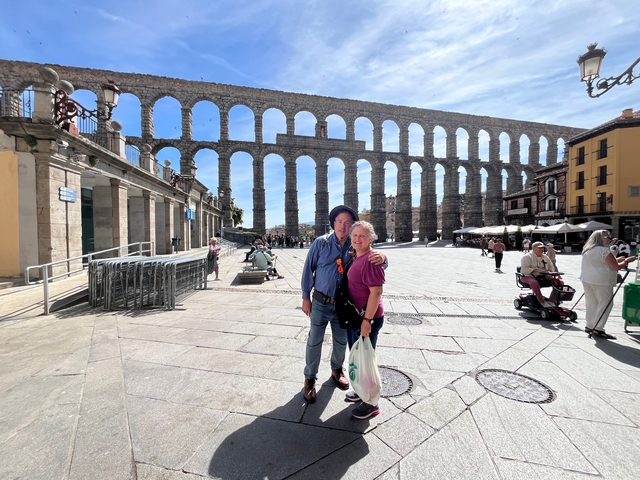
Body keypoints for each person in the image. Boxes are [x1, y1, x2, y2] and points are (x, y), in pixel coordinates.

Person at [300, 205, 387, 404]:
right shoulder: (320, 244)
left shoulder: (354, 244)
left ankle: (337, 370)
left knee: (340, 341)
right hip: (320, 301)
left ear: (352, 226)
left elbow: (371, 258)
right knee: (314, 340)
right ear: (333, 223)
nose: (343, 226)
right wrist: (306, 296)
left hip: (343, 305)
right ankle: (310, 379)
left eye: (347, 223)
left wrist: (384, 257)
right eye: (339, 221)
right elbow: (308, 269)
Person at [343, 221, 385, 419]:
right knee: (358, 357)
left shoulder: (371, 260)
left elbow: (376, 292)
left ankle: (371, 403)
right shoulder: (356, 255)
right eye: (355, 235)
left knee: (366, 359)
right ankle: (362, 392)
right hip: (357, 316)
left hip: (367, 318)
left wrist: (367, 320)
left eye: (362, 236)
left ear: (371, 239)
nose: (357, 239)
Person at [580, 230, 636, 339]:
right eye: (608, 238)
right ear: (602, 239)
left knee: (591, 302)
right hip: (602, 281)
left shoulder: (587, 250)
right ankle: (598, 328)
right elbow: (615, 267)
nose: (610, 240)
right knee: (605, 303)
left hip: (587, 279)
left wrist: (618, 259)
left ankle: (590, 325)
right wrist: (627, 261)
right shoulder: (604, 251)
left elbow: (605, 262)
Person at [520, 241, 558, 307]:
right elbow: (524, 270)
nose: (542, 249)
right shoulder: (527, 257)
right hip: (527, 276)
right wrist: (535, 270)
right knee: (534, 283)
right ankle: (542, 302)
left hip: (543, 276)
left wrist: (550, 273)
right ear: (533, 248)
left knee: (559, 282)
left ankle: (552, 301)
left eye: (542, 248)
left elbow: (551, 267)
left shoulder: (545, 257)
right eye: (539, 248)